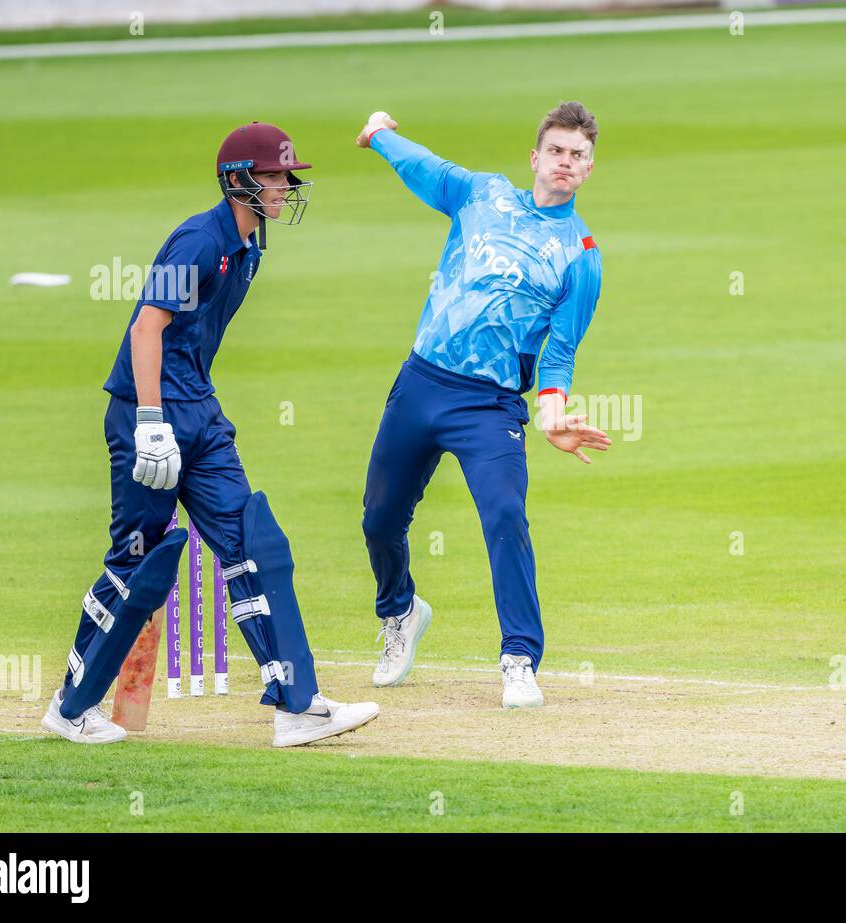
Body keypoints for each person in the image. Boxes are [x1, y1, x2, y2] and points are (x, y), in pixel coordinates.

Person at [42, 121, 378, 746]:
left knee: (256, 544)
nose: (286, 185)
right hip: (149, 414)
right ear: (237, 181)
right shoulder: (200, 241)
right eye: (275, 175)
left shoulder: (251, 246)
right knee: (138, 563)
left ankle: (296, 706)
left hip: (199, 411)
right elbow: (147, 328)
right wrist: (149, 425)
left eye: (288, 175)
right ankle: (71, 707)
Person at [356, 102, 611, 708]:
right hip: (421, 382)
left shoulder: (581, 255)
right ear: (536, 157)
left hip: (490, 406)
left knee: (504, 517)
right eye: (556, 151)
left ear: (589, 169)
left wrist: (551, 415)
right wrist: (382, 136)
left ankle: (519, 659)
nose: (565, 162)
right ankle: (399, 613)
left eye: (578, 156)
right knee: (379, 520)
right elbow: (430, 171)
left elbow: (559, 352)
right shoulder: (484, 195)